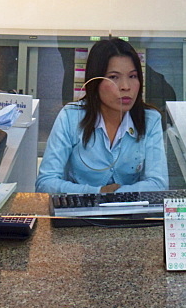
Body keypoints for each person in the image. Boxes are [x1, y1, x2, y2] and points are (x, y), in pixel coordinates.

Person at [35, 37, 168, 194]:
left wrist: (115, 196)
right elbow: (45, 183)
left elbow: (159, 184)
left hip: (129, 215)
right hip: (76, 213)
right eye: (113, 77)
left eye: (132, 76)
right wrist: (98, 192)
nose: (126, 87)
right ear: (95, 81)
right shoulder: (71, 117)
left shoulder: (149, 120)